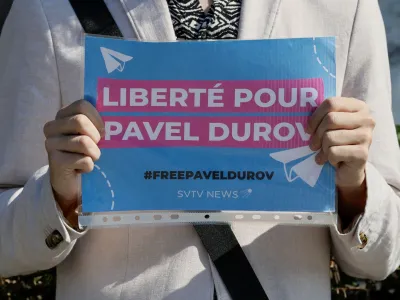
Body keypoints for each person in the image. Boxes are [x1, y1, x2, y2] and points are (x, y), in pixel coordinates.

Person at [0, 0, 400, 299]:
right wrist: (58, 197)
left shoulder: (343, 8)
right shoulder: (49, 10)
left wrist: (354, 189)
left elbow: (382, 257)